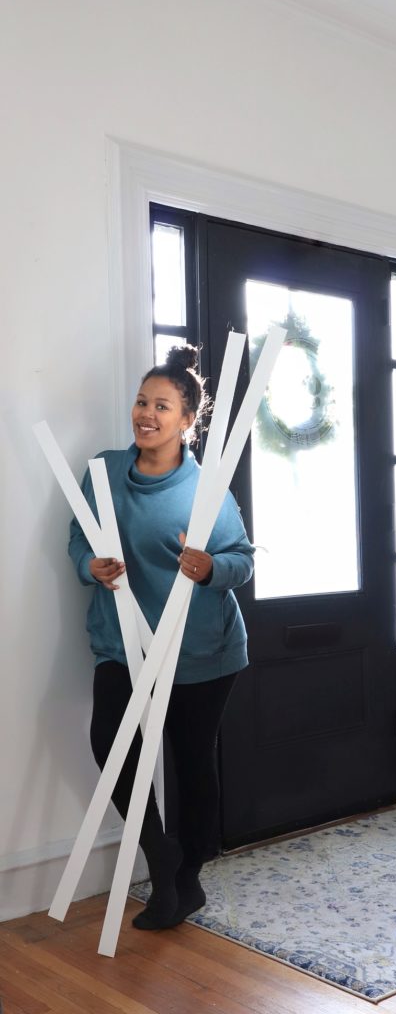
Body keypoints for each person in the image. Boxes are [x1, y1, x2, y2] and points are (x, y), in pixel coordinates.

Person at [68, 344, 254, 930]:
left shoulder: (208, 491)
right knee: (111, 744)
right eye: (142, 401)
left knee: (190, 761)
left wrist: (210, 569)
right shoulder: (102, 472)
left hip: (200, 649)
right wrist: (89, 565)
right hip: (122, 640)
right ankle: (161, 853)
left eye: (162, 406)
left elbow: (242, 561)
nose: (146, 413)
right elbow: (79, 534)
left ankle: (187, 881)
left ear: (187, 421)